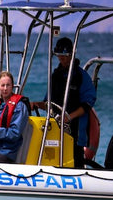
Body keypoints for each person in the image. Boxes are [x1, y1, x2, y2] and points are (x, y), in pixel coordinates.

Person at [32, 37, 97, 168]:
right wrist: (35, 104)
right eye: (59, 56)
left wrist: (69, 117)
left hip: (75, 132)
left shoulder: (81, 77)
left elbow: (87, 104)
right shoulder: (55, 76)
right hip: (55, 129)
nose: (61, 59)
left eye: (64, 56)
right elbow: (48, 103)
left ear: (71, 55)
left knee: (75, 162)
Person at [0, 71, 29, 163]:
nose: (5, 88)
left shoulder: (19, 106)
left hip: (7, 151)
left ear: (12, 86)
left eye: (8, 85)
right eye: (2, 85)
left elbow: (15, 133)